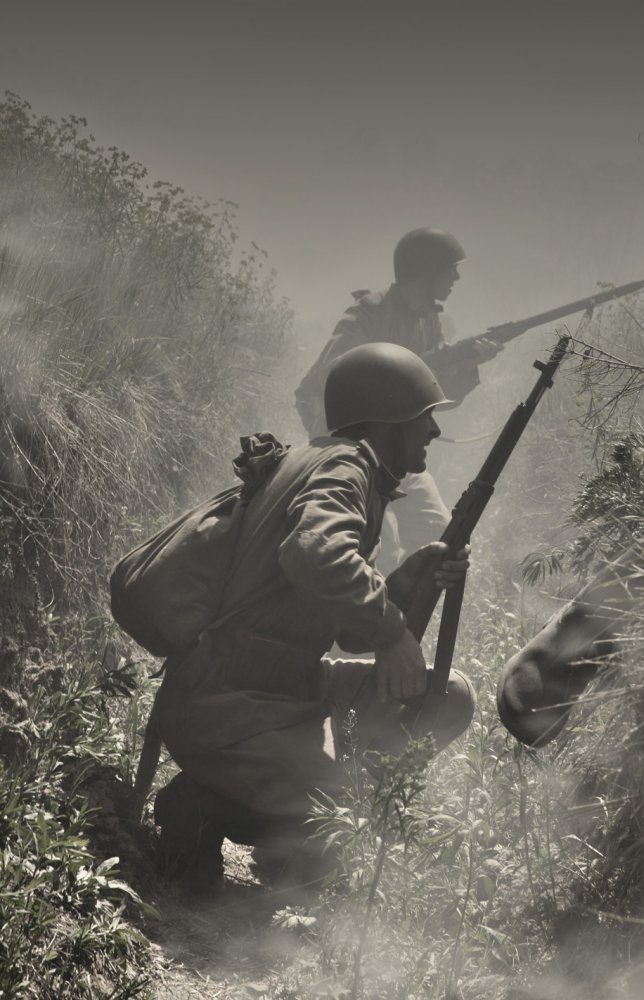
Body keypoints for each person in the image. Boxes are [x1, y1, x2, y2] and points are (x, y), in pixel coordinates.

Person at [153, 343, 476, 894]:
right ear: (388, 419)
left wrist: (403, 584)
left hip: (282, 687)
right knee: (339, 817)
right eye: (425, 415)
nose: (434, 430)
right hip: (229, 702)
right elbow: (313, 556)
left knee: (447, 697)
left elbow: (343, 629)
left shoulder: (341, 467)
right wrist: (392, 633)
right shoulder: (346, 469)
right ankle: (200, 807)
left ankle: (293, 816)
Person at [294, 227, 499, 568]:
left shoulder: (429, 320)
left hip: (399, 452)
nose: (456, 277)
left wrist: (465, 366)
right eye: (449, 268)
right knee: (380, 548)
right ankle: (378, 601)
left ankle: (410, 601)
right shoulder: (369, 313)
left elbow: (431, 398)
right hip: (353, 450)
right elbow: (335, 375)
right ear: (425, 269)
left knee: (442, 536)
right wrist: (403, 369)